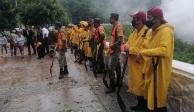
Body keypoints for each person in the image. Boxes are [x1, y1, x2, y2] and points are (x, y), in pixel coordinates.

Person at [137, 7, 174, 112]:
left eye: (150, 17)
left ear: (158, 18)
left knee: (158, 99)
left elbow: (164, 50)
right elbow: (145, 46)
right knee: (150, 97)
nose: (147, 20)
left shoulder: (166, 31)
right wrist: (141, 52)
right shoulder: (150, 31)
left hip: (159, 71)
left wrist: (144, 53)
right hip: (149, 69)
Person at [126, 11, 151, 111]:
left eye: (135, 19)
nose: (133, 21)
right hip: (133, 64)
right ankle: (139, 105)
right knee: (136, 86)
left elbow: (144, 50)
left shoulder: (147, 32)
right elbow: (128, 43)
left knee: (142, 88)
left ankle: (144, 107)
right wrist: (126, 47)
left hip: (142, 65)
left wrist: (130, 49)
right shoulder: (134, 31)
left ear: (140, 20)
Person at [106, 13, 124, 94]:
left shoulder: (118, 26)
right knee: (117, 67)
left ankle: (112, 86)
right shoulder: (114, 26)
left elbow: (120, 40)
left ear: (113, 18)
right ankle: (119, 82)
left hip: (116, 51)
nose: (109, 19)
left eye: (110, 18)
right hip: (113, 50)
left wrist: (113, 46)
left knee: (111, 68)